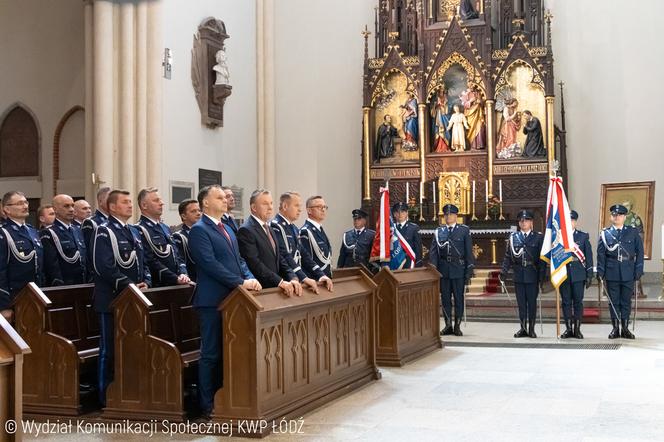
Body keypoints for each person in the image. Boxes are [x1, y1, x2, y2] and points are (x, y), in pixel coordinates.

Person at [188, 185, 261, 420]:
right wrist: (241, 282)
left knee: (228, 351)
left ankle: (225, 397)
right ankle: (207, 404)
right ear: (205, 203)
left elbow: (238, 259)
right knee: (210, 353)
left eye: (224, 197)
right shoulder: (200, 230)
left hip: (232, 300)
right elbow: (209, 264)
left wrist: (249, 277)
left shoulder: (227, 227)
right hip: (212, 301)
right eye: (219, 197)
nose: (225, 200)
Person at [91, 190, 151, 406]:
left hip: (132, 299)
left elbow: (141, 263)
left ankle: (128, 392)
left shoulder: (132, 231)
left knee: (130, 347)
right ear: (112, 207)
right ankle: (105, 396)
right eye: (124, 202)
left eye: (129, 202)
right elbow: (103, 266)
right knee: (109, 350)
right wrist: (129, 285)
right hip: (112, 300)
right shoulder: (104, 232)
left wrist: (146, 281)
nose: (129, 205)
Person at [237, 189, 309, 295]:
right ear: (254, 208)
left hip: (275, 288)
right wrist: (279, 281)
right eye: (265, 204)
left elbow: (279, 257)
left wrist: (292, 276)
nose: (270, 207)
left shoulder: (268, 228)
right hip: (261, 290)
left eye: (271, 203)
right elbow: (255, 263)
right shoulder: (246, 230)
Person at [597, 204, 644, 339]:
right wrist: (600, 271)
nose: (616, 217)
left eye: (619, 215)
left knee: (626, 302)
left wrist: (639, 268)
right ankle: (615, 328)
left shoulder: (633, 232)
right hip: (611, 272)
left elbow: (640, 252)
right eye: (614, 215)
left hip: (628, 271)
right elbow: (600, 254)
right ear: (611, 217)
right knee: (613, 302)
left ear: (624, 217)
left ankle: (625, 328)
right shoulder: (605, 234)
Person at [270, 192, 332, 292]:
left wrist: (320, 275)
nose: (300, 209)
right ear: (285, 206)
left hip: (295, 280)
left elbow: (304, 255)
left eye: (300, 206)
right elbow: (284, 255)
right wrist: (303, 277)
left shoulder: (293, 228)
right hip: (286, 281)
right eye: (296, 205)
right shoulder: (276, 226)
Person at [429, 204, 474, 336]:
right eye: (446, 215)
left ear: (456, 216)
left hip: (458, 269)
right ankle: (448, 324)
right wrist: (434, 269)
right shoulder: (439, 232)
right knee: (446, 299)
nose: (448, 217)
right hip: (443, 269)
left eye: (451, 214)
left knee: (458, 298)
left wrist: (469, 270)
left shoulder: (464, 230)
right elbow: (433, 252)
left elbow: (468, 252)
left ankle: (457, 325)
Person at [500, 210, 546, 338]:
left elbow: (542, 259)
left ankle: (531, 328)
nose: (524, 223)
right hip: (519, 274)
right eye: (521, 221)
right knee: (521, 303)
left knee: (531, 303)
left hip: (532, 274)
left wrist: (542, 276)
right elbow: (508, 256)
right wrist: (503, 271)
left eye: (526, 220)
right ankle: (523, 328)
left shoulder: (538, 237)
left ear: (531, 222)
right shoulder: (513, 237)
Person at [0, 191, 44, 321]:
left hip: (34, 295)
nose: (25, 206)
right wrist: (4, 305)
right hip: (15, 297)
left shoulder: (32, 231)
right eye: (19, 203)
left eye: (26, 202)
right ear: (6, 209)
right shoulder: (4, 233)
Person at [135, 187, 190, 287]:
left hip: (177, 283)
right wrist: (174, 278)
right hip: (158, 285)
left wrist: (183, 273)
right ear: (144, 205)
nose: (162, 203)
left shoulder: (164, 227)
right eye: (156, 200)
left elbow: (177, 255)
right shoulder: (139, 229)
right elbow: (150, 260)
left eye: (160, 199)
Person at [559, 210, 593, 339]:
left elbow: (588, 256)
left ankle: (577, 329)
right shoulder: (559, 237)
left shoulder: (583, 236)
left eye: (572, 220)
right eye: (567, 221)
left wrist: (589, 274)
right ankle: (568, 329)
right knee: (566, 302)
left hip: (579, 274)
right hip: (564, 273)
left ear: (575, 222)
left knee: (578, 302)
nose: (569, 223)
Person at [40, 194, 88, 286]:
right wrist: (58, 285)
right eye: (66, 206)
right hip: (64, 285)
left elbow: (84, 257)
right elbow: (51, 265)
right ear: (55, 209)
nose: (71, 209)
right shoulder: (49, 233)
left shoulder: (77, 230)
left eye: (72, 206)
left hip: (82, 283)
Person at [300, 196, 335, 279]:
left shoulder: (320, 229)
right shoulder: (305, 232)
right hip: (315, 279)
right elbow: (306, 260)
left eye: (324, 207)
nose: (323, 209)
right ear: (309, 210)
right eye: (319, 207)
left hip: (326, 278)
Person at [172, 199, 201, 282]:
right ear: (184, 216)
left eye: (199, 210)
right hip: (192, 279)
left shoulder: (205, 233)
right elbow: (180, 260)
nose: (198, 213)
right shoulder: (179, 236)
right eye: (193, 211)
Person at [392, 202, 422, 267]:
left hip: (408, 262)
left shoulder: (414, 228)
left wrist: (418, 263)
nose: (400, 214)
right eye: (397, 212)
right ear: (394, 214)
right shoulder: (391, 229)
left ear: (407, 213)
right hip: (394, 261)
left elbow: (418, 248)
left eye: (403, 212)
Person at [82, 187, 111, 253]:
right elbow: (89, 250)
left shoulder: (114, 222)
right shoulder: (90, 222)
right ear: (100, 201)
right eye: (110, 199)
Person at [461, 85, 486, 150]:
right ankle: (473, 145)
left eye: (472, 85)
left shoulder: (479, 92)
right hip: (470, 114)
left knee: (479, 128)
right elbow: (465, 105)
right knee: (471, 129)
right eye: (470, 85)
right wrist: (470, 101)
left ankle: (480, 145)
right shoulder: (467, 94)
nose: (471, 86)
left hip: (478, 114)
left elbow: (483, 102)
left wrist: (479, 102)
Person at [431, 87, 451, 152]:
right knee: (438, 131)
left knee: (444, 131)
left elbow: (448, 110)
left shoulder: (446, 99)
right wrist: (436, 105)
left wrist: (442, 105)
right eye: (440, 91)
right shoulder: (436, 100)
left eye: (442, 91)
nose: (441, 93)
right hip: (438, 117)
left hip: (444, 117)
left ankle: (445, 147)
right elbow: (432, 111)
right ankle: (438, 147)